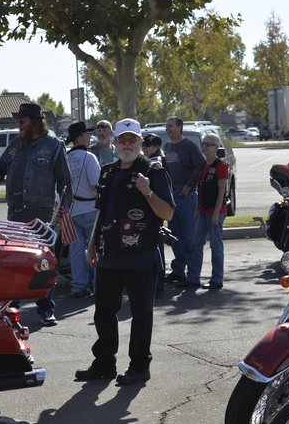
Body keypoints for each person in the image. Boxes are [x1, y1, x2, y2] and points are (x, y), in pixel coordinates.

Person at [75, 118, 175, 385]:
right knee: (103, 313)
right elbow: (101, 213)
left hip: (141, 256)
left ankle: (140, 366)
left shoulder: (153, 172)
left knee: (141, 315)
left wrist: (147, 191)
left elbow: (167, 213)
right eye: (123, 139)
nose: (127, 144)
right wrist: (92, 245)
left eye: (132, 139)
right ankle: (104, 363)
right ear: (115, 142)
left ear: (140, 142)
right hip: (110, 256)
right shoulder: (108, 172)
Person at [0, 103, 72, 326]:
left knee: (44, 263)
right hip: (16, 214)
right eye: (17, 121)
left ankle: (46, 310)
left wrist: (63, 214)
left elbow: (65, 183)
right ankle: (12, 308)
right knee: (15, 261)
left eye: (22, 121)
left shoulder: (53, 145)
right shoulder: (16, 145)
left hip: (42, 216)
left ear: (35, 122)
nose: (18, 125)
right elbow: (0, 167)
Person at [162, 117, 205, 286]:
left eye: (171, 126)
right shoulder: (167, 146)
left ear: (180, 127)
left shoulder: (189, 146)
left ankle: (192, 276)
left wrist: (189, 185)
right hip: (171, 195)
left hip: (186, 196)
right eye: (166, 126)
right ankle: (178, 271)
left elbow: (201, 165)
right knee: (175, 236)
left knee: (189, 237)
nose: (168, 129)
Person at [187, 132, 228, 289]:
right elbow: (201, 189)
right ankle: (193, 278)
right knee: (196, 243)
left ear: (216, 147)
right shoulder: (204, 165)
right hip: (203, 210)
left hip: (215, 211)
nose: (204, 147)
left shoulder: (221, 166)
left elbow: (221, 191)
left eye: (208, 144)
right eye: (203, 144)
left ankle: (217, 279)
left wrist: (216, 213)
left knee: (215, 245)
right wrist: (197, 209)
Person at [65, 121, 101, 298]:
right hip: (90, 208)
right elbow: (96, 185)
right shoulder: (89, 157)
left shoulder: (65, 157)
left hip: (71, 210)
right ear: (82, 136)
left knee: (77, 250)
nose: (89, 137)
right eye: (88, 134)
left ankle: (79, 286)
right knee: (94, 248)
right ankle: (96, 284)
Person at [142, 133, 168, 298]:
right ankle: (157, 287)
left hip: (155, 209)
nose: (144, 148)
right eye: (143, 145)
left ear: (157, 147)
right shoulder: (153, 160)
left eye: (148, 146)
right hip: (154, 208)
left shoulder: (156, 163)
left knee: (156, 250)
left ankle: (157, 287)